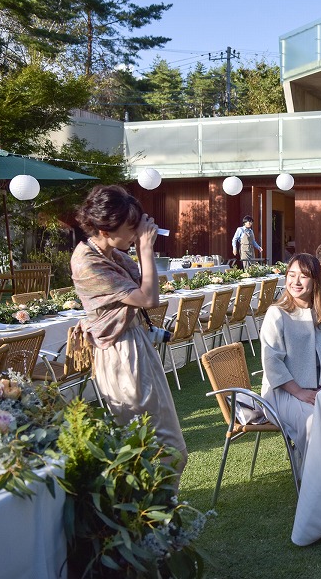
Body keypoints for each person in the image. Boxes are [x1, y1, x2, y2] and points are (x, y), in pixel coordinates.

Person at [70, 185, 187, 477]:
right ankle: (151, 517)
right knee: (152, 447)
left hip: (135, 345)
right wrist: (145, 249)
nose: (137, 231)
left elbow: (144, 285)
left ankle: (159, 516)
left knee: (167, 446)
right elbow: (148, 298)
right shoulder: (88, 263)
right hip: (121, 354)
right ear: (106, 228)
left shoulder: (111, 253)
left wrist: (140, 247)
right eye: (131, 226)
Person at [260, 253, 321, 467]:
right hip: (282, 393)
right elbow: (272, 363)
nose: (295, 282)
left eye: (303, 276)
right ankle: (312, 485)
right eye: (291, 274)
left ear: (315, 280)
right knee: (315, 422)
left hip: (318, 391)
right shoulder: (277, 314)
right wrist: (300, 392)